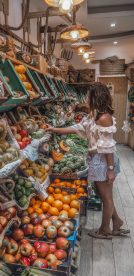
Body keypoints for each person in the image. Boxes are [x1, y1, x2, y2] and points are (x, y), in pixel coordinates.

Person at [46, 82, 130, 239]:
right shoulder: (94, 115)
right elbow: (78, 127)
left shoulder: (104, 118)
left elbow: (108, 147)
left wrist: (111, 169)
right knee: (101, 193)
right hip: (97, 159)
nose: (87, 97)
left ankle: (105, 230)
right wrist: (55, 129)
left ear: (95, 97)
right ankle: (117, 222)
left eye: (89, 95)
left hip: (104, 160)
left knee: (106, 196)